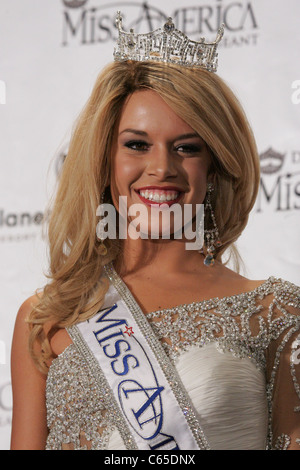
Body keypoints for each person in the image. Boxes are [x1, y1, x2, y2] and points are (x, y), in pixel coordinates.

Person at [10, 13, 300, 450]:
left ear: (215, 168)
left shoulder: (277, 313)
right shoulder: (47, 317)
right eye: (136, 144)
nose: (162, 168)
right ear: (105, 162)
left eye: (187, 148)